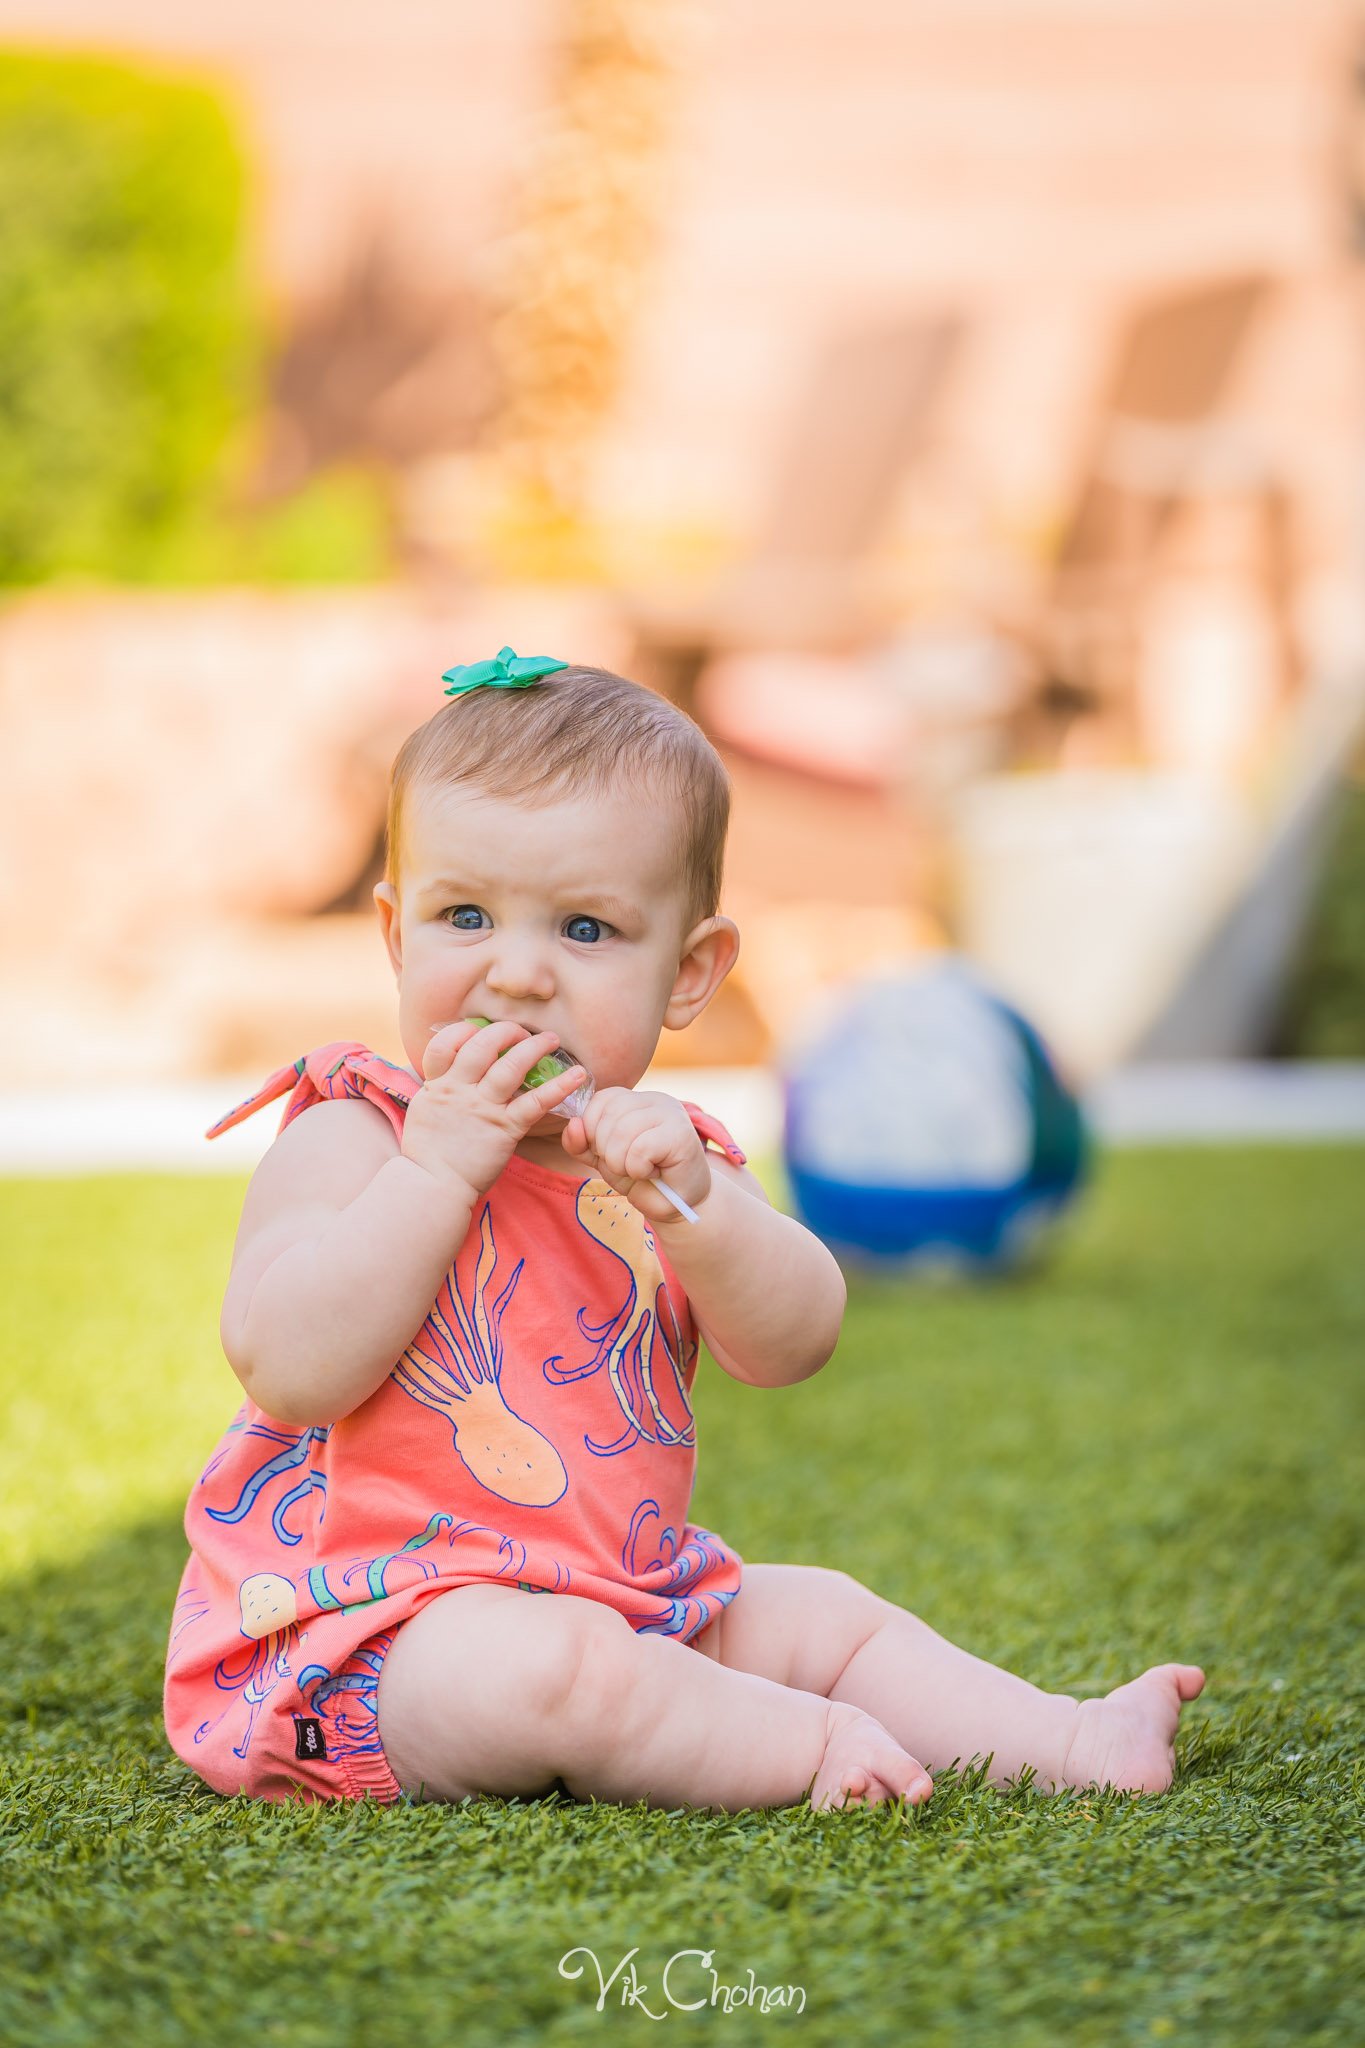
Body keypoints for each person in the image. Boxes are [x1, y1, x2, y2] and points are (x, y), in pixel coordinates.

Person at [164, 653, 1205, 1811]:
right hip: (369, 1643)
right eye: (465, 914)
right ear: (397, 933)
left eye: (587, 927)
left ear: (689, 972)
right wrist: (437, 1168)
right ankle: (807, 1751)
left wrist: (693, 1207)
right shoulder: (356, 1135)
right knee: (563, 1670)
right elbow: (293, 1368)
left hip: (628, 1593)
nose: (517, 972)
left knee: (823, 1613)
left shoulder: (664, 1157)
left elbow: (793, 1339)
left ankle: (1074, 1739)